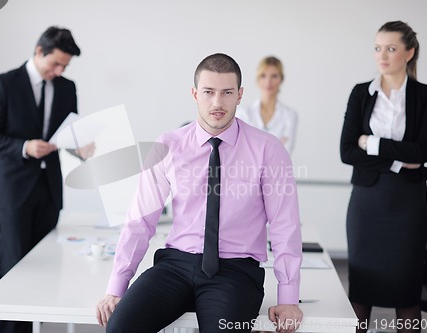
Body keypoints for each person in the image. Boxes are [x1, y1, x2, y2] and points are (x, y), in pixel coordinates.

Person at [96, 53, 303, 333]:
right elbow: (140, 220)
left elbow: (284, 225)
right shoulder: (167, 145)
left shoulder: (268, 149)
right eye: (208, 92)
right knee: (120, 328)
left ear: (240, 95)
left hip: (236, 272)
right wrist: (117, 285)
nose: (217, 102)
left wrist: (288, 297)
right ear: (195, 94)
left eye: (227, 92)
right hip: (175, 265)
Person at [0, 26, 81, 333]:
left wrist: (80, 145)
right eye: (56, 64)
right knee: (15, 275)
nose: (59, 71)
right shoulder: (4, 83)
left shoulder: (66, 87)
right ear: (39, 51)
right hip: (13, 194)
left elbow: (68, 132)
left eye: (65, 66)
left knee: (44, 273)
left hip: (49, 192)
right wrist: (24, 147)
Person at [340, 21, 427, 333]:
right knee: (361, 289)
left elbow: (421, 152)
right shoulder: (361, 93)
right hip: (367, 203)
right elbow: (348, 152)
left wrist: (373, 143)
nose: (382, 55)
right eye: (378, 48)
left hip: (408, 206)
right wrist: (397, 162)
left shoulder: (424, 96)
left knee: (407, 291)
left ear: (409, 53)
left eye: (391, 48)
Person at [237, 56, 298, 154]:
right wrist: (275, 145)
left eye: (274, 76)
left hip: (279, 169)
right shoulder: (243, 114)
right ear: (258, 79)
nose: (268, 82)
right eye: (263, 76)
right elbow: (241, 150)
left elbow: (284, 152)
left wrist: (254, 147)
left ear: (281, 79)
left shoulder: (290, 115)